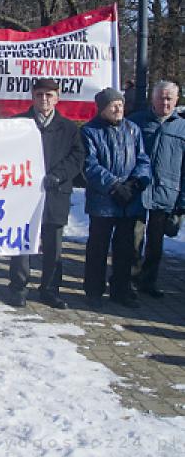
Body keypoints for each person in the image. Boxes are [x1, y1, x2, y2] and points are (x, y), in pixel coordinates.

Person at [6, 78, 85, 309]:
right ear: (32, 97)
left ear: (57, 98)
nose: (44, 99)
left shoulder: (69, 128)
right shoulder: (18, 124)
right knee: (22, 243)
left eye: (49, 95)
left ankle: (50, 290)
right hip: (25, 194)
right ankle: (18, 288)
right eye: (39, 94)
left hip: (55, 193)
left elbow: (77, 157)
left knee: (53, 246)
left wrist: (58, 175)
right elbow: (5, 153)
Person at [81, 87, 151, 309]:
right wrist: (113, 186)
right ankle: (94, 291)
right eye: (113, 105)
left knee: (125, 250)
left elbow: (143, 160)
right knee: (98, 248)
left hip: (129, 201)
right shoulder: (89, 131)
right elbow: (89, 165)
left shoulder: (133, 129)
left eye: (120, 104)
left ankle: (121, 291)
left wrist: (135, 183)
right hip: (102, 202)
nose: (118, 108)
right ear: (102, 108)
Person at [128, 80, 185, 298]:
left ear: (176, 100)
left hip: (166, 192)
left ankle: (148, 281)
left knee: (156, 242)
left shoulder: (182, 128)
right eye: (161, 98)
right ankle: (129, 280)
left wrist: (181, 200)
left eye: (169, 98)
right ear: (152, 99)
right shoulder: (136, 122)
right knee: (134, 239)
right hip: (139, 190)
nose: (165, 102)